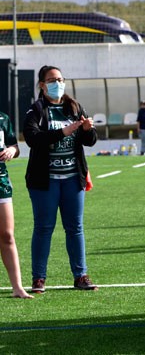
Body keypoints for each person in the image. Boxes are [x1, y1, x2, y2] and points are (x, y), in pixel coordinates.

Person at [24, 65, 99, 293]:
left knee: (75, 227)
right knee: (44, 227)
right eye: (51, 80)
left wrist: (87, 129)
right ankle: (39, 278)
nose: (57, 83)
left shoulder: (74, 107)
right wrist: (62, 133)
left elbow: (90, 141)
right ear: (42, 85)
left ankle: (81, 275)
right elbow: (32, 138)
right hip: (44, 180)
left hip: (72, 178)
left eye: (60, 79)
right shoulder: (36, 109)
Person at [0, 111, 34, 298]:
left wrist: (12, 150)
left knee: (7, 235)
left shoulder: (3, 118)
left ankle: (17, 287)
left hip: (1, 182)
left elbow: (14, 145)